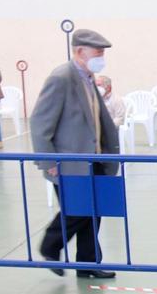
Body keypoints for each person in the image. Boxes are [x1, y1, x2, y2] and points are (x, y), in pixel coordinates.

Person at [30, 28, 120, 280]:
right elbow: (40, 122)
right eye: (98, 53)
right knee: (77, 211)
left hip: (97, 159)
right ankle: (50, 246)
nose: (101, 57)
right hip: (71, 162)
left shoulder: (88, 77)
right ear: (80, 51)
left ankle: (88, 264)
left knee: (94, 213)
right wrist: (48, 161)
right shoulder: (62, 77)